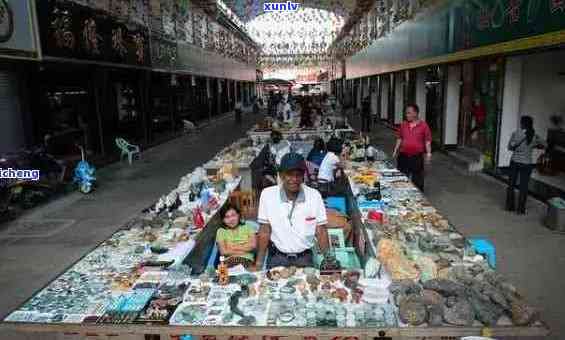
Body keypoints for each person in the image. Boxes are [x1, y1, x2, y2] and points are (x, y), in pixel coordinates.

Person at [255, 153, 329, 269]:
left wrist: (329, 260)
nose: (294, 179)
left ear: (303, 176)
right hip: (277, 258)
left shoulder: (314, 196)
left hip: (305, 259)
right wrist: (259, 264)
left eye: (298, 175)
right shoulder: (267, 195)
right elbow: (264, 231)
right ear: (281, 175)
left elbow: (321, 231)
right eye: (289, 174)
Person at [506, 116, 545, 214]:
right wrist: (535, 145)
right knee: (523, 187)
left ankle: (510, 207)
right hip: (527, 164)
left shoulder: (516, 133)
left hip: (515, 162)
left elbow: (510, 147)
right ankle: (520, 210)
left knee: (511, 185)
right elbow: (545, 145)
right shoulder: (534, 135)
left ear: (522, 123)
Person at [392, 104, 432, 191]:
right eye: (406, 113)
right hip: (403, 156)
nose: (407, 115)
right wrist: (395, 150)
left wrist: (429, 154)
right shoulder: (403, 125)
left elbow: (427, 141)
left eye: (409, 113)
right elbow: (399, 138)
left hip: (416, 157)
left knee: (418, 181)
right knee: (401, 178)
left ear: (416, 113)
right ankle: (401, 195)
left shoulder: (424, 126)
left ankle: (419, 199)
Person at [216, 203, 256, 268]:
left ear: (238, 215)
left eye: (233, 215)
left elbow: (253, 246)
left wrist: (232, 247)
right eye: (227, 217)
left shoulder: (248, 227)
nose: (231, 219)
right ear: (223, 220)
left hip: (247, 259)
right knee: (224, 274)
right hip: (229, 261)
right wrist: (244, 248)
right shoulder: (221, 231)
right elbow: (223, 252)